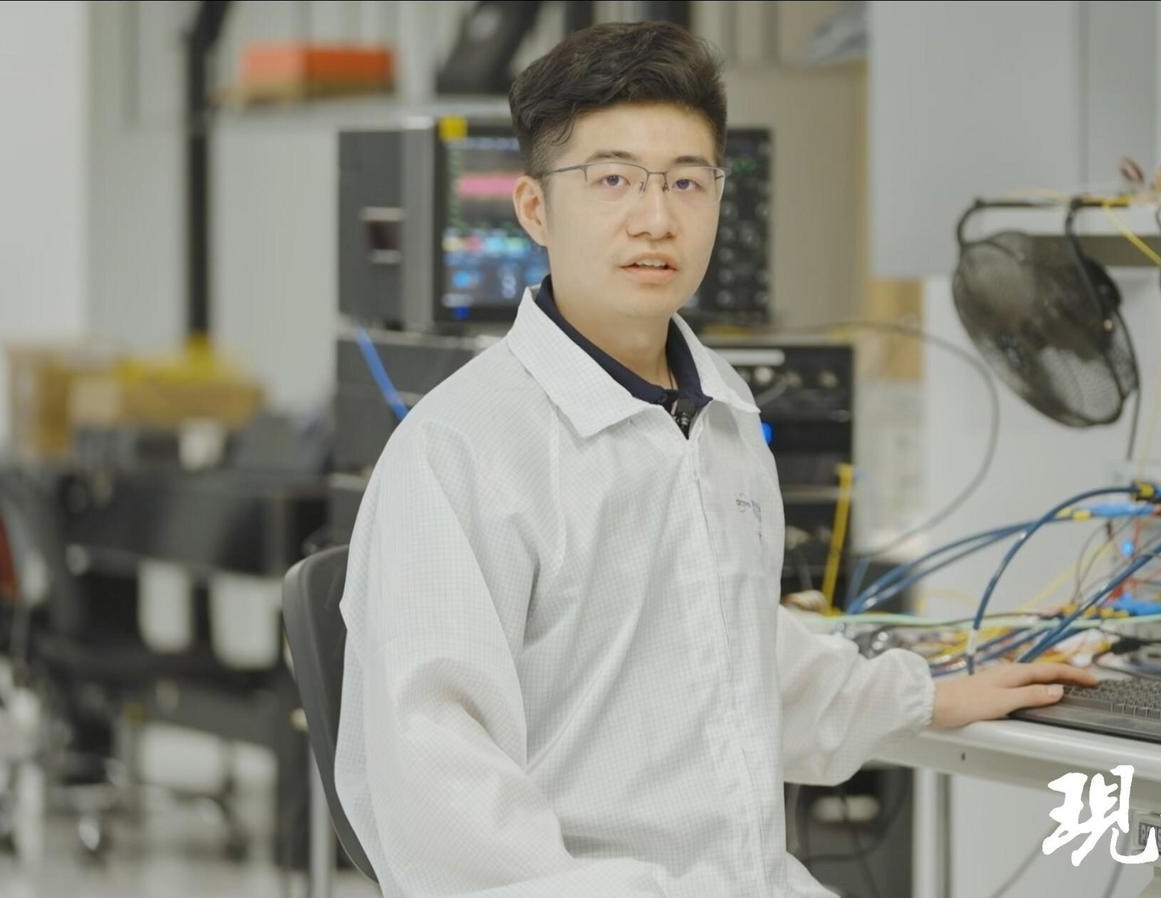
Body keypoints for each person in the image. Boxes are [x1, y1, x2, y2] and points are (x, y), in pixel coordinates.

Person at [334, 20, 1096, 898]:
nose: (656, 219)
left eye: (687, 182)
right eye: (612, 179)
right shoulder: (460, 452)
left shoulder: (721, 416)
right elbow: (441, 796)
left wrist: (924, 695)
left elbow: (726, 651)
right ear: (534, 209)